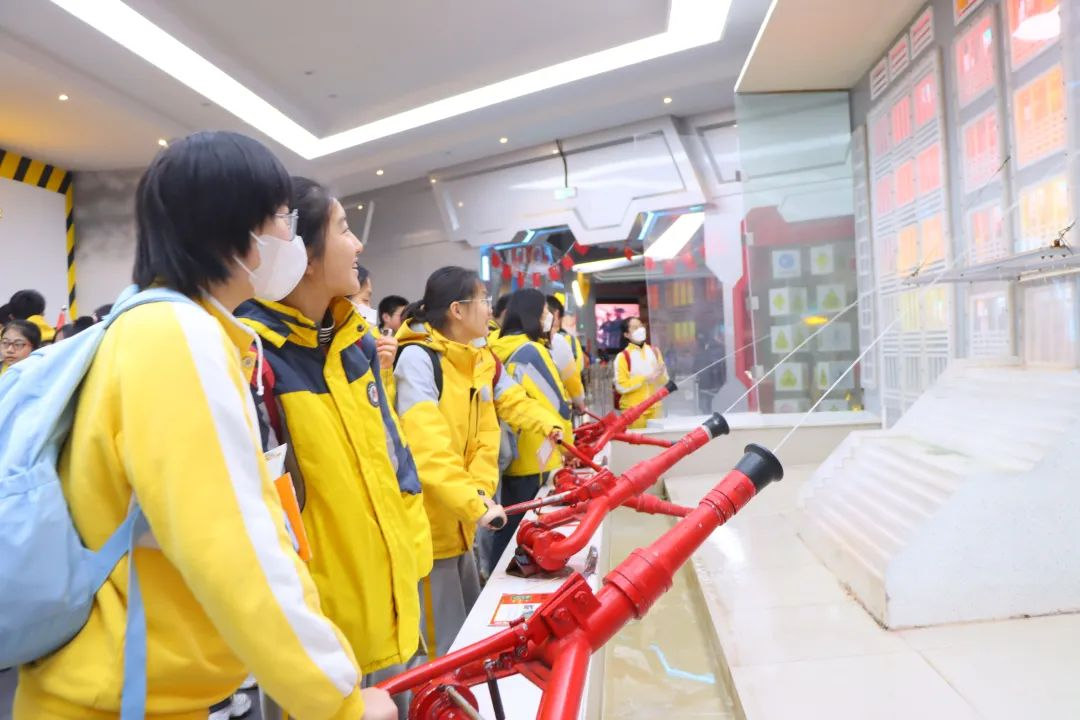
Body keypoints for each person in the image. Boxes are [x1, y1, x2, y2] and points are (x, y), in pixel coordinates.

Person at [14, 131, 397, 720]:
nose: (289, 237)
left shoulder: (158, 328)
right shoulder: (177, 339)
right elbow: (235, 545)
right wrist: (337, 700)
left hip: (125, 690)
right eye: (281, 218)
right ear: (236, 228)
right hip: (120, 700)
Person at [237, 176, 428, 718]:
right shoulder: (252, 360)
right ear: (303, 256)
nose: (358, 244)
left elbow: (396, 461)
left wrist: (410, 561)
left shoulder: (355, 345)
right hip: (318, 640)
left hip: (392, 606)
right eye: (344, 229)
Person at [393, 267, 507, 658]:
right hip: (429, 531)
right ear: (457, 309)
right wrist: (475, 503)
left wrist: (480, 495)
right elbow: (427, 449)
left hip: (463, 524)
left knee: (466, 641)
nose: (490, 308)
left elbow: (487, 439)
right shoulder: (417, 360)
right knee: (440, 654)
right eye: (483, 299)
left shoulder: (476, 361)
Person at [489, 290, 574, 570]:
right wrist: (570, 447)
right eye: (544, 312)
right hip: (534, 457)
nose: (548, 318)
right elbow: (557, 406)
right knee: (523, 533)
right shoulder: (531, 351)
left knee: (507, 528)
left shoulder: (495, 347)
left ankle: (494, 575)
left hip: (508, 456)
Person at [614, 316, 668, 429]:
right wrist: (645, 378)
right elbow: (621, 386)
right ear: (626, 334)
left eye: (641, 326)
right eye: (635, 328)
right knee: (636, 439)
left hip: (655, 408)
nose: (640, 329)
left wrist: (661, 374)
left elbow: (664, 380)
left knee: (657, 439)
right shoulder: (623, 357)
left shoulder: (654, 351)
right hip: (633, 411)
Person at [545, 295, 586, 413]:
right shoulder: (562, 341)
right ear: (557, 314)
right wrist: (579, 401)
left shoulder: (524, 340)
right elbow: (574, 373)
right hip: (562, 406)